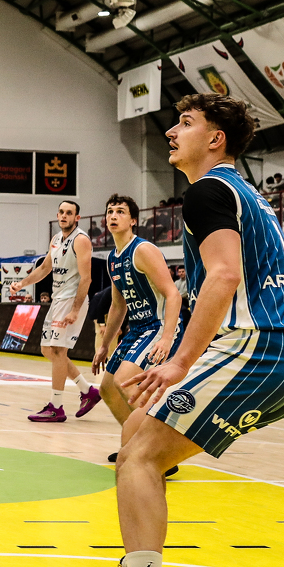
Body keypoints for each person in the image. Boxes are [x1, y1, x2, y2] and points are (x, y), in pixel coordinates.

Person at [65, 94, 284, 567]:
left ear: (215, 139)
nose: (171, 132)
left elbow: (224, 276)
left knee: (138, 456)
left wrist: (182, 360)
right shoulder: (251, 197)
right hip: (276, 351)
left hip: (254, 349)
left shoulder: (208, 190)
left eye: (185, 123)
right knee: (136, 435)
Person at [89, 195, 182, 469]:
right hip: (137, 328)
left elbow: (173, 294)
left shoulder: (143, 250)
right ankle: (134, 445)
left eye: (120, 211)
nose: (113, 215)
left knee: (124, 381)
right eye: (110, 211)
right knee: (107, 388)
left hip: (157, 326)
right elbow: (118, 306)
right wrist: (104, 345)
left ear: (132, 220)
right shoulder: (113, 258)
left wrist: (167, 337)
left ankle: (160, 450)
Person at [11, 201, 99, 422]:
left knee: (59, 351)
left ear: (77, 218)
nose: (64, 216)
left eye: (69, 213)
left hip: (71, 300)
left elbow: (86, 278)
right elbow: (44, 268)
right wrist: (22, 284)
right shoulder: (56, 239)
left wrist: (75, 310)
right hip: (57, 299)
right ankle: (87, 391)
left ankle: (56, 407)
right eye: (61, 212)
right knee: (47, 350)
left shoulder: (81, 240)